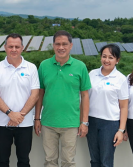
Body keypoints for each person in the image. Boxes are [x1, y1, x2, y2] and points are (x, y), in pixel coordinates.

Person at [34, 30, 91, 167]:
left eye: (64, 44)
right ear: (53, 45)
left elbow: (84, 95)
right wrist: (37, 119)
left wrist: (84, 122)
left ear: (71, 46)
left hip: (71, 123)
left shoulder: (80, 66)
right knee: (50, 161)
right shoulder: (44, 66)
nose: (61, 47)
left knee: (68, 162)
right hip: (48, 122)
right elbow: (40, 94)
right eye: (58, 44)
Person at [0, 33, 40, 167]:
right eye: (10, 46)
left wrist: (19, 115)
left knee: (24, 160)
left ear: (22, 48)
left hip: (25, 123)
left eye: (17, 46)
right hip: (2, 123)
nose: (14, 49)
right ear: (5, 47)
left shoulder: (31, 68)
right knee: (2, 160)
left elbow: (35, 94)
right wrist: (10, 113)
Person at [87, 44, 128, 167]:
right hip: (91, 121)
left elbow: (124, 107)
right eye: (104, 56)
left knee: (106, 161)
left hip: (110, 124)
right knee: (94, 160)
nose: (107, 60)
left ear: (117, 60)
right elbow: (85, 98)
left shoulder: (121, 79)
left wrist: (121, 130)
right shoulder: (92, 74)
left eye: (111, 57)